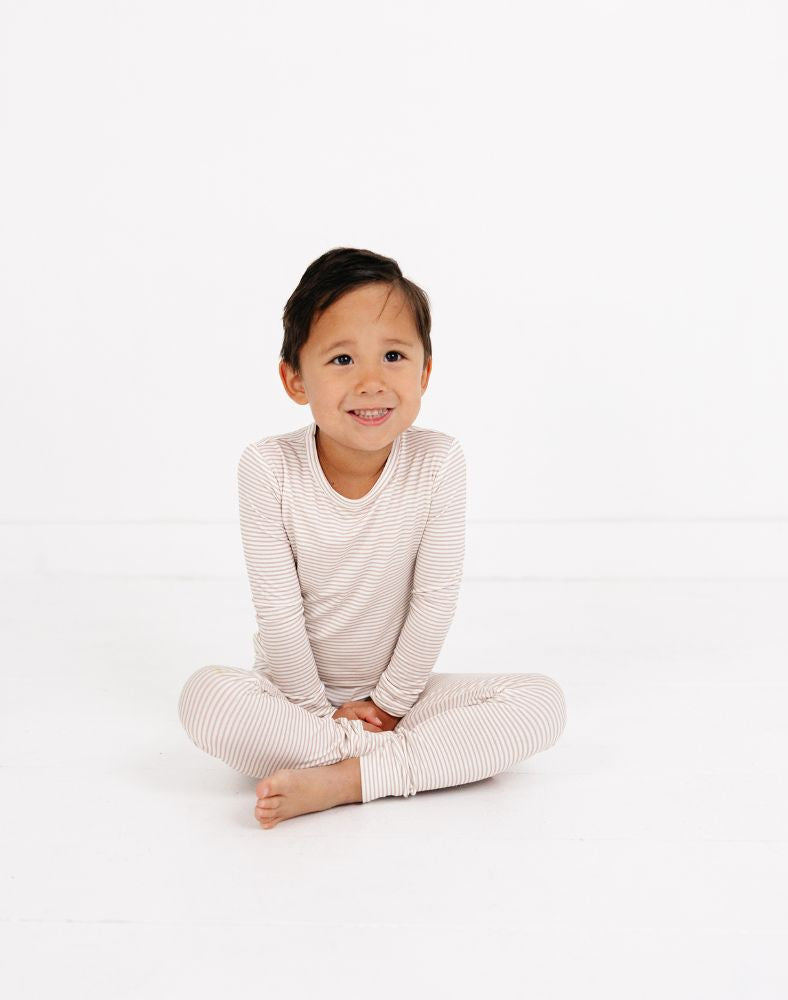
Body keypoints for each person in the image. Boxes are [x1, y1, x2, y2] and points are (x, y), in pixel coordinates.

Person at [178, 247, 567, 829]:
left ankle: (346, 780)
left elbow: (434, 599)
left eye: (393, 356)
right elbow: (278, 610)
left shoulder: (438, 461)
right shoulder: (268, 467)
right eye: (340, 358)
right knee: (205, 699)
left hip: (402, 702)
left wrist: (387, 704)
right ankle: (397, 764)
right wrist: (318, 712)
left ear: (425, 372)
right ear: (294, 379)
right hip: (291, 702)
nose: (371, 382)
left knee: (541, 702)